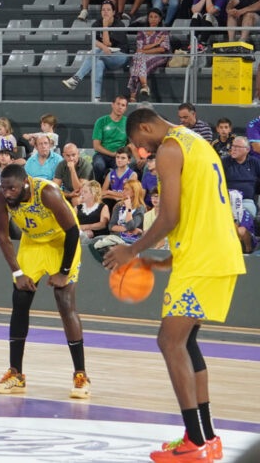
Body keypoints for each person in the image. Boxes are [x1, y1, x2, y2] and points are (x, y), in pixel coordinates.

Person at [105, 107, 245, 462]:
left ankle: (195, 444)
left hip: (204, 257)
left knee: (169, 341)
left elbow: (169, 216)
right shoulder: (195, 140)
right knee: (187, 342)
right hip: (214, 252)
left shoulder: (169, 147)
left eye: (139, 143)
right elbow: (199, 208)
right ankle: (207, 438)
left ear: (147, 127)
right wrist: (166, 258)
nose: (142, 152)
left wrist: (132, 250)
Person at [0, 164, 90, 399]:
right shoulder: (0, 195)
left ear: (25, 183)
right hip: (33, 243)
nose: (7, 193)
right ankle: (16, 373)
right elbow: (2, 236)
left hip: (61, 241)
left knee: (64, 301)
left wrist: (64, 272)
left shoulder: (47, 192)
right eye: (4, 189)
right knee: (20, 299)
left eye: (12, 189)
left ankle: (81, 375)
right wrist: (17, 273)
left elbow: (73, 231)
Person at [62, 1, 129, 101]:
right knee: (98, 63)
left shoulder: (119, 24)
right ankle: (96, 98)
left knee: (96, 52)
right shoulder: (97, 23)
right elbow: (95, 42)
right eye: (103, 10)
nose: (105, 12)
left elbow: (107, 44)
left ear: (114, 12)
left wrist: (105, 27)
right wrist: (103, 47)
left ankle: (76, 79)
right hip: (103, 56)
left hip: (120, 57)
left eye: (108, 10)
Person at [128, 8, 171, 102]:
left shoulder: (163, 32)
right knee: (138, 62)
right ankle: (144, 86)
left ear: (160, 19)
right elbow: (139, 49)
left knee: (137, 61)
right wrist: (156, 43)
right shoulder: (141, 32)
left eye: (156, 17)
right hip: (142, 57)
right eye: (151, 17)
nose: (153, 19)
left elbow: (162, 49)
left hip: (160, 57)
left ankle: (132, 97)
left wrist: (144, 51)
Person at [222, 137, 260, 217]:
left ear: (247, 150)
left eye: (238, 147)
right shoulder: (224, 162)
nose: (234, 149)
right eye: (233, 146)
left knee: (243, 223)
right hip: (228, 201)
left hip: (247, 202)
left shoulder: (254, 162)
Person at [107, 178, 146, 243]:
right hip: (116, 237)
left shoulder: (140, 208)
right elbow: (111, 226)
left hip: (132, 240)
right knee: (97, 239)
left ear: (134, 192)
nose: (123, 192)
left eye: (127, 189)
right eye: (123, 189)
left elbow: (131, 226)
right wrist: (127, 229)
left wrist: (128, 208)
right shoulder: (119, 205)